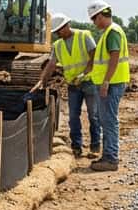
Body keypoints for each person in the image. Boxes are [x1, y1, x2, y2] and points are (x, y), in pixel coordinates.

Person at [33, 13, 99, 157]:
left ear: (66, 25)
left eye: (59, 31)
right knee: (73, 117)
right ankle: (77, 146)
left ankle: (95, 146)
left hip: (89, 82)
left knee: (93, 115)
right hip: (73, 85)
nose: (57, 34)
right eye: (55, 32)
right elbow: (51, 64)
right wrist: (41, 81)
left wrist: (82, 75)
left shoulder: (84, 36)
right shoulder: (58, 45)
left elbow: (95, 57)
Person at [86, 0, 130, 172]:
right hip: (110, 83)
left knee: (109, 121)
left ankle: (111, 158)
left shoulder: (113, 32)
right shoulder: (108, 32)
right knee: (106, 120)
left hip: (112, 84)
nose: (93, 22)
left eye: (94, 19)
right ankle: (107, 155)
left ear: (101, 15)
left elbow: (114, 57)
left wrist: (106, 82)